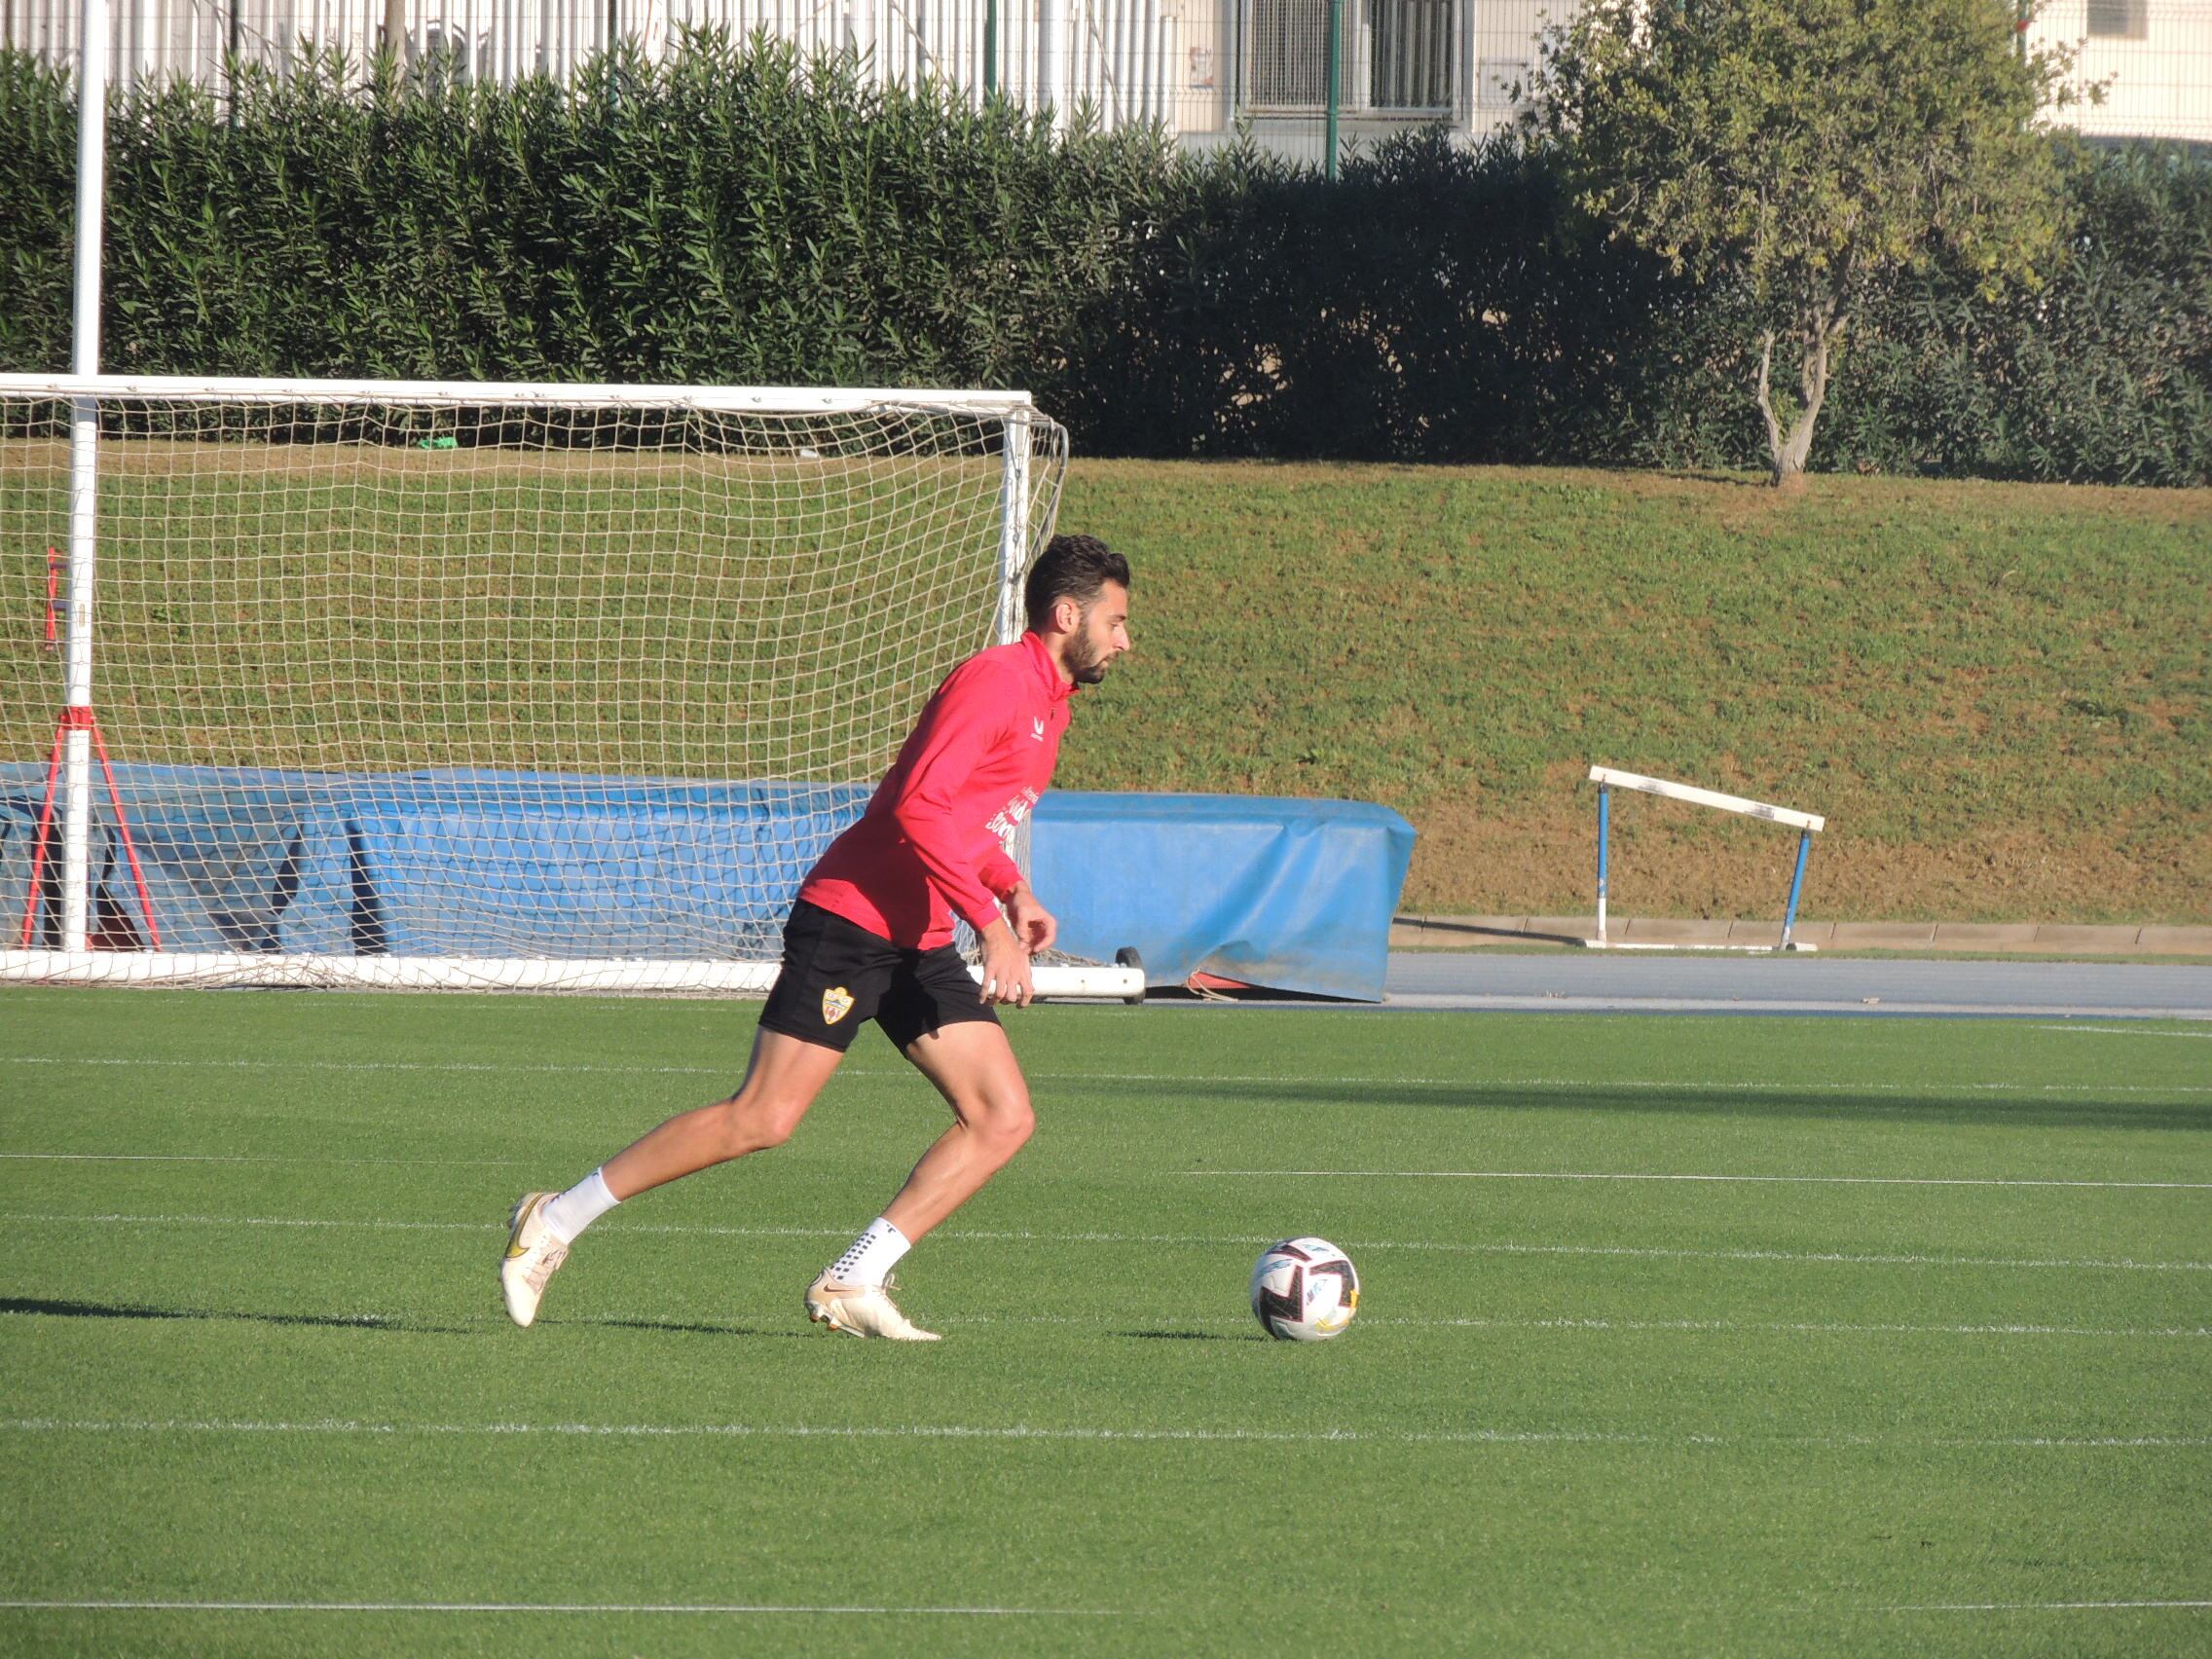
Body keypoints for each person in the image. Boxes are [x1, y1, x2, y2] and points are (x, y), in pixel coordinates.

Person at [500, 534, 1132, 1341]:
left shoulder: (1049, 704)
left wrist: (1011, 890)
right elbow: (915, 807)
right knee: (762, 1118)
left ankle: (855, 1278)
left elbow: (962, 817)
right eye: (1114, 620)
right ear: (1065, 613)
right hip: (853, 920)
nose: (1124, 639)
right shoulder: (999, 681)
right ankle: (555, 1219)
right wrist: (988, 924)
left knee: (1002, 1116)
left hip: (919, 931)